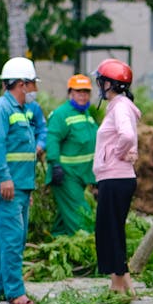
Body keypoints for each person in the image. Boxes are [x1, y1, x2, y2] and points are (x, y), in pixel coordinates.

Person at [0, 57, 39, 304]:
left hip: (19, 185)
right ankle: (15, 292)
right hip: (5, 185)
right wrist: (4, 177)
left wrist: (26, 186)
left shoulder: (18, 110)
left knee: (9, 238)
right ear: (21, 84)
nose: (35, 89)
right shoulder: (0, 109)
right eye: (32, 84)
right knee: (13, 238)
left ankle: (0, 289)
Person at [93, 59, 142, 294]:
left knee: (109, 231)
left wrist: (116, 153)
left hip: (116, 177)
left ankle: (118, 285)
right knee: (112, 230)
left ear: (109, 84)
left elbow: (127, 136)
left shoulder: (120, 106)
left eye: (101, 81)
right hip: (115, 177)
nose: (99, 86)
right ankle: (124, 284)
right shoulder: (118, 105)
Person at [46, 74, 98, 236]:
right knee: (82, 215)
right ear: (70, 93)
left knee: (65, 216)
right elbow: (52, 139)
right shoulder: (61, 115)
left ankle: (57, 239)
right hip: (66, 176)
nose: (82, 95)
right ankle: (88, 243)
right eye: (78, 92)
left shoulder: (86, 115)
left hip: (81, 175)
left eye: (86, 92)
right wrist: (54, 164)